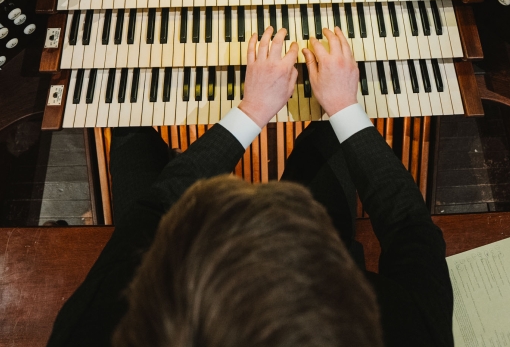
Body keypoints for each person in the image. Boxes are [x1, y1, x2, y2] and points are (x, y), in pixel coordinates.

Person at [46, 25, 453, 347]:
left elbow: (155, 209)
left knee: (127, 130)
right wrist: (344, 108)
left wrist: (252, 110)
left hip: (158, 254)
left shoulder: (110, 323)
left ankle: (130, 124)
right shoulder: (405, 330)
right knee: (330, 140)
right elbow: (408, 228)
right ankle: (326, 130)